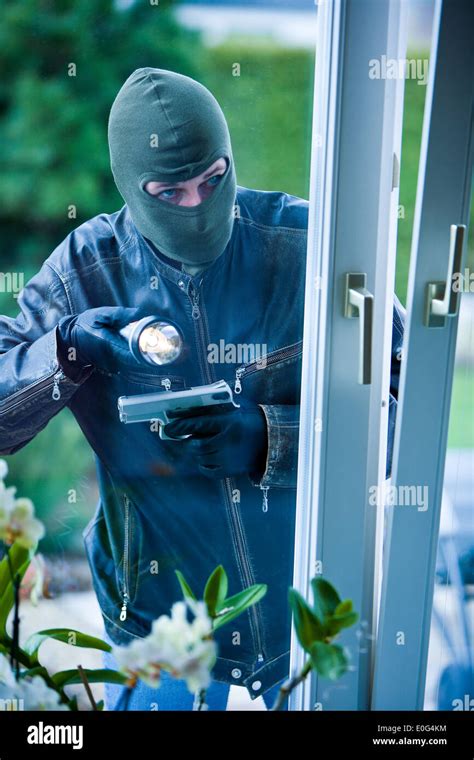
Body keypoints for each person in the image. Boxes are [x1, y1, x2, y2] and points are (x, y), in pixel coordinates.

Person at [0, 68, 405, 710]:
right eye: (170, 191)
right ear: (131, 189)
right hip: (158, 635)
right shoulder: (85, 269)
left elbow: (412, 416)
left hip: (309, 620)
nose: (196, 206)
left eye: (212, 180)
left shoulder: (308, 247)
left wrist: (273, 438)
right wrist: (67, 349)